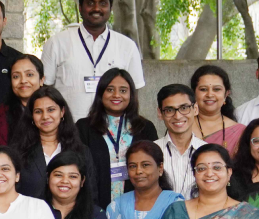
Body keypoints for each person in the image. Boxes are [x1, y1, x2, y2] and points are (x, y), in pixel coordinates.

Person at [40, 0, 145, 118]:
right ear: (80, 7)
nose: (96, 8)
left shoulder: (127, 46)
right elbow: (45, 89)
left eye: (103, 3)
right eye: (90, 3)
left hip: (112, 128)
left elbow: (134, 93)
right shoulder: (57, 43)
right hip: (68, 126)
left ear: (111, 8)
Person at [75, 68, 159, 208]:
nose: (116, 95)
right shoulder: (84, 127)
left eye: (123, 90)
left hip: (139, 205)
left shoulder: (145, 127)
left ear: (131, 95)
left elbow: (154, 168)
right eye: (110, 90)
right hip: (95, 206)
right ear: (101, 93)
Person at [15, 86, 98, 201]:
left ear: (62, 112)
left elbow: (90, 195)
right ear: (32, 116)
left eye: (51, 110)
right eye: (38, 111)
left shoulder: (81, 152)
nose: (45, 116)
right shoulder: (18, 152)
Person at [155, 84, 207, 198]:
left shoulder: (208, 152)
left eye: (184, 108)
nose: (178, 116)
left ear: (195, 109)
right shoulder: (150, 152)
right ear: (160, 113)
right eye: (169, 110)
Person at [0, 54, 43, 146]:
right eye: (16, 76)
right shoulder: (2, 113)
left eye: (29, 75)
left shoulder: (53, 109)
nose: (23, 81)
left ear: (42, 80)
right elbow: (0, 150)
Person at [192, 64, 243, 153]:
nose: (210, 94)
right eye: (203, 89)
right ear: (194, 93)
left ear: (226, 94)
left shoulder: (239, 132)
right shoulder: (182, 126)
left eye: (216, 89)